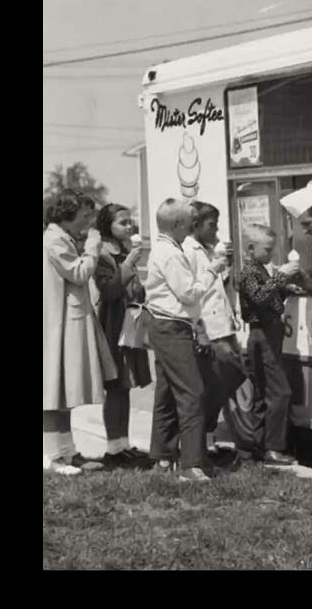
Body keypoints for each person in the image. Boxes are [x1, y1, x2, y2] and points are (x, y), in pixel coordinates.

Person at [144, 198, 228, 482]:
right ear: (178, 225)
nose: (192, 227)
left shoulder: (166, 249)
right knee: (193, 393)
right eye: (189, 223)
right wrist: (212, 270)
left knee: (167, 393)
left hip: (164, 324)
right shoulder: (170, 253)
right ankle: (192, 464)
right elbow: (189, 294)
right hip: (172, 326)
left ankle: (163, 457)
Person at [43, 189, 118, 475]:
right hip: (56, 324)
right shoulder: (54, 241)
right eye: (85, 216)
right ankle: (52, 456)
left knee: (64, 392)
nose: (88, 223)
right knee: (53, 391)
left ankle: (67, 451)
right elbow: (78, 273)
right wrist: (93, 246)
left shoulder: (62, 237)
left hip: (64, 321)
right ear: (67, 214)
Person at [181, 201, 246, 467]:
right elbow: (194, 293)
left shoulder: (209, 249)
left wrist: (223, 264)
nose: (215, 229)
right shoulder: (189, 251)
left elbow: (221, 286)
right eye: (212, 224)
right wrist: (200, 331)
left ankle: (208, 436)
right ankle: (203, 441)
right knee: (216, 381)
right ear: (195, 225)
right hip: (209, 326)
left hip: (224, 325)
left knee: (231, 376)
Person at [235, 223, 301, 466]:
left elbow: (268, 297)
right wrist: (280, 276)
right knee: (279, 391)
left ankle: (257, 446)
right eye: (268, 249)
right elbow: (260, 297)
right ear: (251, 249)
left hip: (268, 334)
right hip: (262, 334)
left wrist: (284, 289)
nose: (271, 254)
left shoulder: (260, 270)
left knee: (262, 393)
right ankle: (273, 448)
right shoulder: (249, 273)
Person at [92, 203, 153, 468]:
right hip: (112, 325)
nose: (129, 227)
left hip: (129, 324)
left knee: (125, 386)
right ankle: (113, 447)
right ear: (108, 225)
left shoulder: (124, 250)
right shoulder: (102, 253)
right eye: (123, 223)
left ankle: (123, 443)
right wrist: (129, 264)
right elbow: (110, 290)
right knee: (115, 386)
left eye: (131, 222)